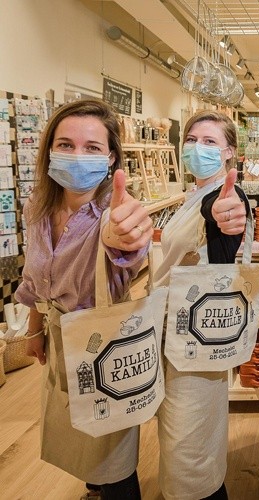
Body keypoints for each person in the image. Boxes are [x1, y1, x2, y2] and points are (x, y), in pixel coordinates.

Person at [15, 99, 153, 500]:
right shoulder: (37, 208)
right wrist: (35, 331)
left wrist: (126, 236)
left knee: (112, 456)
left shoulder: (113, 215)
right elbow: (33, 280)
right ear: (49, 151)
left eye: (92, 147)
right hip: (59, 338)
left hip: (103, 346)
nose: (77, 156)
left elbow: (128, 244)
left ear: (110, 159)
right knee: (79, 433)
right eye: (66, 145)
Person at [153, 110, 250, 500]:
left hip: (195, 336)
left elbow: (223, 212)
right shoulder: (193, 194)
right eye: (191, 140)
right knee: (186, 434)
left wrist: (229, 213)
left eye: (210, 142)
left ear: (229, 153)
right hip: (177, 327)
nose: (197, 148)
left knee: (189, 443)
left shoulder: (221, 196)